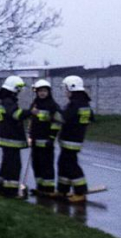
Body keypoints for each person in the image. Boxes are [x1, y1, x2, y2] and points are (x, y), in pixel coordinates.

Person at [56, 75, 95, 203]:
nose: (65, 92)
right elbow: (91, 118)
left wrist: (51, 113)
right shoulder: (84, 103)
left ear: (71, 88)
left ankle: (80, 192)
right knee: (63, 164)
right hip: (75, 139)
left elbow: (63, 118)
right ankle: (63, 190)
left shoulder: (75, 104)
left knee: (71, 166)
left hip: (70, 139)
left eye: (66, 90)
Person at [0, 75, 29, 198]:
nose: (20, 92)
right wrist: (30, 112)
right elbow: (16, 114)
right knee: (13, 167)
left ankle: (2, 187)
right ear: (14, 89)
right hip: (11, 140)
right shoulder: (8, 102)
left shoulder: (5, 101)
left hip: (7, 139)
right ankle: (11, 192)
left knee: (6, 165)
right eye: (19, 89)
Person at [28, 79, 62, 196]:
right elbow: (31, 122)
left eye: (44, 91)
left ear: (49, 92)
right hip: (35, 141)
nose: (42, 93)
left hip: (47, 142)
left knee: (46, 165)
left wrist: (51, 138)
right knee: (36, 165)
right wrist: (30, 136)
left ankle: (49, 188)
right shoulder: (34, 104)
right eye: (40, 91)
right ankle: (40, 186)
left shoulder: (53, 106)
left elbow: (57, 122)